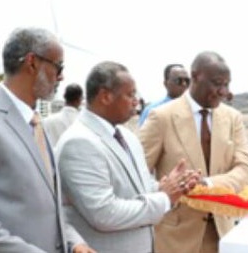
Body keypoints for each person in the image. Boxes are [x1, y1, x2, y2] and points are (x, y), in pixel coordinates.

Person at [0, 28, 93, 253]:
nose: (61, 77)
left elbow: (48, 206)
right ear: (32, 63)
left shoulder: (35, 122)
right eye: (58, 67)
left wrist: (74, 243)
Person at [56, 61, 200, 253]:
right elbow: (104, 213)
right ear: (105, 96)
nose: (136, 101)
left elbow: (137, 188)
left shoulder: (127, 136)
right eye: (130, 94)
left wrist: (169, 186)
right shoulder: (79, 142)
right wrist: (164, 198)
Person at [140, 51, 248, 253]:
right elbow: (137, 174)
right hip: (175, 240)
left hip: (221, 235)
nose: (223, 91)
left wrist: (208, 185)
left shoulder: (233, 118)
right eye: (217, 83)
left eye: (227, 84)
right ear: (195, 76)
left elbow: (245, 169)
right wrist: (166, 190)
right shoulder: (162, 117)